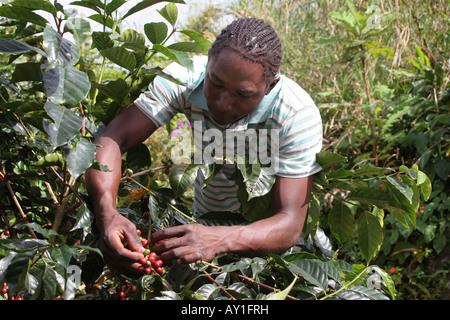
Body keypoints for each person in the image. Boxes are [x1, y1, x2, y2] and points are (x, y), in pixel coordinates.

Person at [85, 17, 323, 275]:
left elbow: (289, 223)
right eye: (215, 83)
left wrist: (220, 238)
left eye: (242, 95)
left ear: (270, 86)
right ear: (208, 60)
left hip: (266, 250)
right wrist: (107, 215)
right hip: (201, 225)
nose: (222, 103)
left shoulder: (296, 115)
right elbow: (113, 138)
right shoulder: (182, 78)